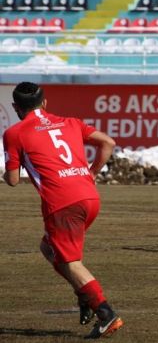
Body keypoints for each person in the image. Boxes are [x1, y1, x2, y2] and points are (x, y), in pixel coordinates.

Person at [3, 82, 123, 338]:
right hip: (89, 197)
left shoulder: (15, 133)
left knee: (70, 262)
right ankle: (85, 295)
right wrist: (91, 173)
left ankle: (105, 312)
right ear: (45, 103)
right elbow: (108, 143)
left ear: (15, 108)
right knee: (49, 248)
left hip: (62, 203)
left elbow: (13, 180)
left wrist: (9, 169)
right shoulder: (70, 122)